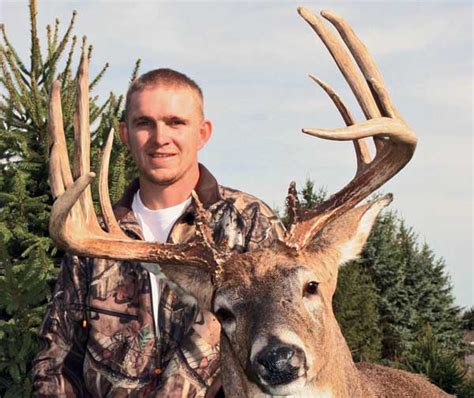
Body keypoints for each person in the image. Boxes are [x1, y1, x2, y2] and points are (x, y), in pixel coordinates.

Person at [32, 69, 285, 397]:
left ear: (203, 133)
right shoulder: (93, 237)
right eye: (144, 123)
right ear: (125, 133)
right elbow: (56, 357)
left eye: (175, 122)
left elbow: (287, 348)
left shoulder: (250, 224)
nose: (159, 138)